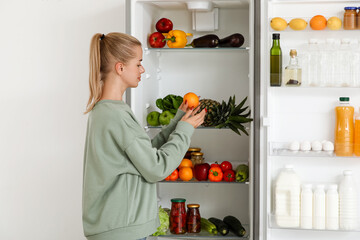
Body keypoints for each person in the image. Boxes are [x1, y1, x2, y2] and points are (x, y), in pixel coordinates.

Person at [82, 32, 206, 240]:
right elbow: (156, 168)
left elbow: (142, 156)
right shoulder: (115, 115)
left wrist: (177, 123)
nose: (143, 69)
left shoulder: (107, 110)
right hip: (122, 230)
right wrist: (185, 130)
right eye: (138, 63)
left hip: (116, 227)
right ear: (120, 68)